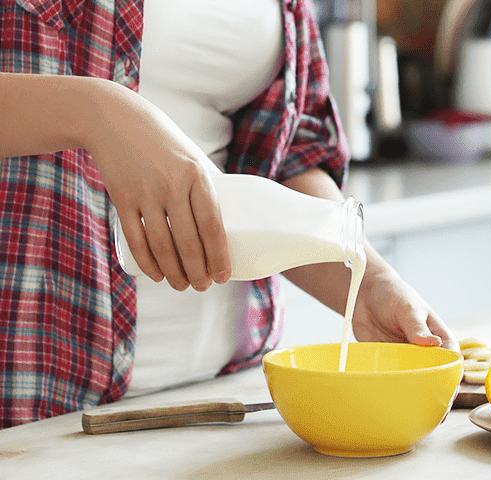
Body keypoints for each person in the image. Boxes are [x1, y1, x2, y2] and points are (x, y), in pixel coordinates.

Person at [0, 0, 459, 428]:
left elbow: (288, 153)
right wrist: (93, 111)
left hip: (226, 404)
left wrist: (369, 283)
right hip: (37, 407)